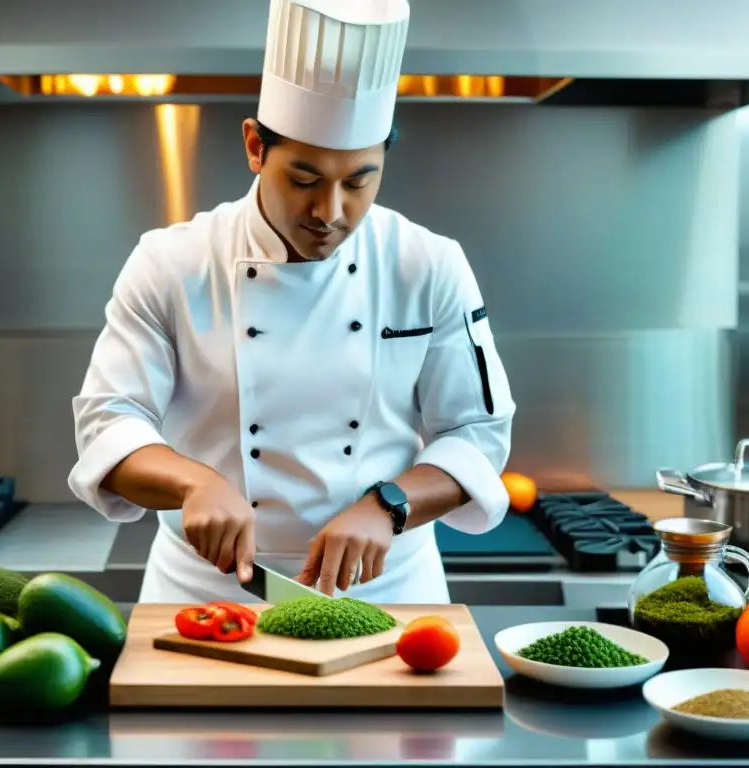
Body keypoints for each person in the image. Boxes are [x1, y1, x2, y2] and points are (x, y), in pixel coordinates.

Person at [68, 0, 516, 604]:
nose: (330, 213)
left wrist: (390, 505)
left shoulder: (427, 263)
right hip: (206, 593)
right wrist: (192, 482)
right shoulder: (172, 262)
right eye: (304, 180)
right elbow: (108, 422)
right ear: (255, 147)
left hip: (388, 593)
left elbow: (477, 433)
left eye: (359, 180)